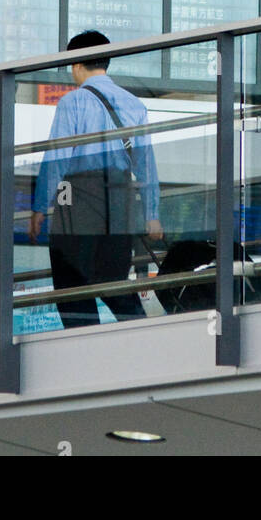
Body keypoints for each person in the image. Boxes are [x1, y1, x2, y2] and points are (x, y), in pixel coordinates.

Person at [29, 30, 163, 328]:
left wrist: (40, 206)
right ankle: (140, 334)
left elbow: (57, 157)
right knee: (113, 279)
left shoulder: (72, 102)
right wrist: (152, 214)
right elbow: (146, 164)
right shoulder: (134, 104)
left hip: (79, 197)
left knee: (71, 284)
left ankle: (83, 348)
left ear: (76, 64)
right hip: (120, 198)